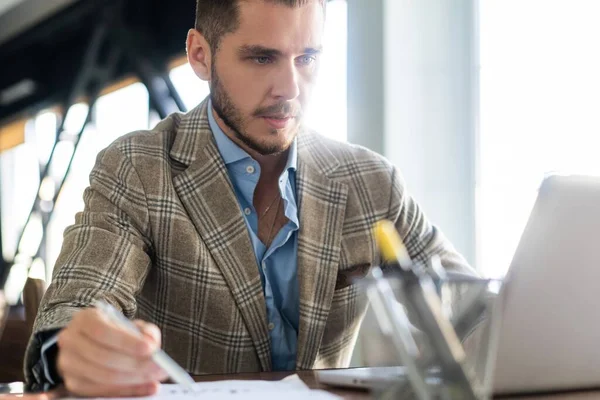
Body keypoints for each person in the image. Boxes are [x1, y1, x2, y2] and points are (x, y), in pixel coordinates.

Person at [25, 0, 474, 396]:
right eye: (262, 58)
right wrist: (72, 346)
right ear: (200, 55)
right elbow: (78, 302)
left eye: (307, 58)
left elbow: (474, 311)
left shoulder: (371, 182)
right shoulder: (138, 168)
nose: (290, 89)